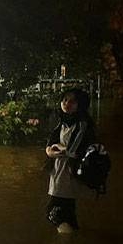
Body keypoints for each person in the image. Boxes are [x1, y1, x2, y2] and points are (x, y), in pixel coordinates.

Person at [44, 88, 96, 233]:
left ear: (80, 104)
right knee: (68, 213)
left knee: (51, 212)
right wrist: (50, 149)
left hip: (69, 173)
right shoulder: (62, 122)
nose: (67, 103)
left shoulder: (82, 124)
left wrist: (55, 150)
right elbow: (52, 142)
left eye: (72, 101)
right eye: (65, 100)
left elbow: (73, 151)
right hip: (59, 170)